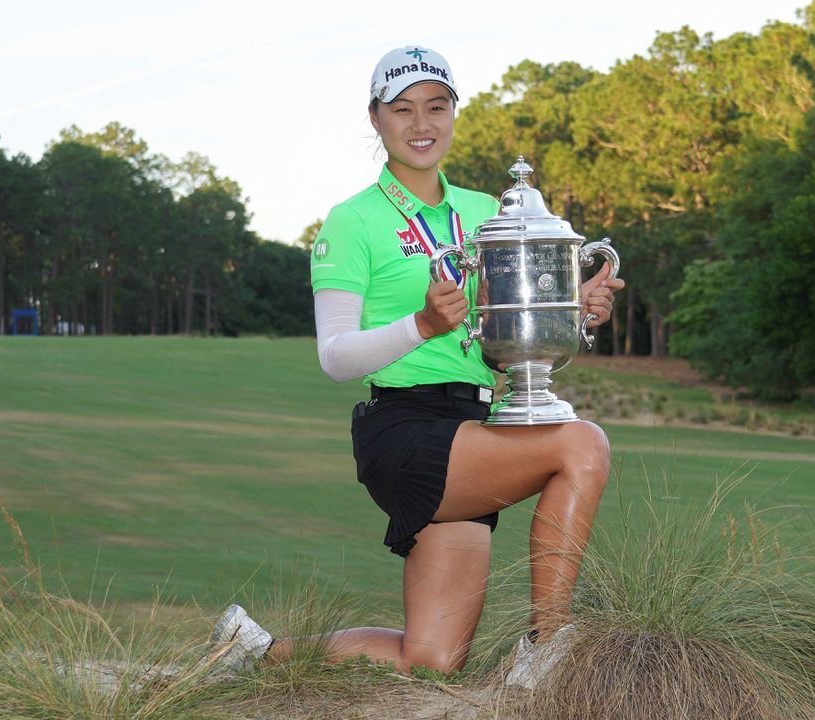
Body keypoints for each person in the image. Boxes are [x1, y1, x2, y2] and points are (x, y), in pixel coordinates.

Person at [212, 45, 624, 689]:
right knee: (582, 445)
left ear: (455, 113)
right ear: (375, 120)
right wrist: (423, 325)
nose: (421, 123)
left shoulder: (487, 211)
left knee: (432, 659)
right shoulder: (352, 222)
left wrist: (578, 311)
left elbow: (508, 328)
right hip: (405, 431)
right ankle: (550, 648)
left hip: (476, 425)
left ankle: (255, 651)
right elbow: (335, 356)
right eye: (401, 110)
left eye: (436, 106)